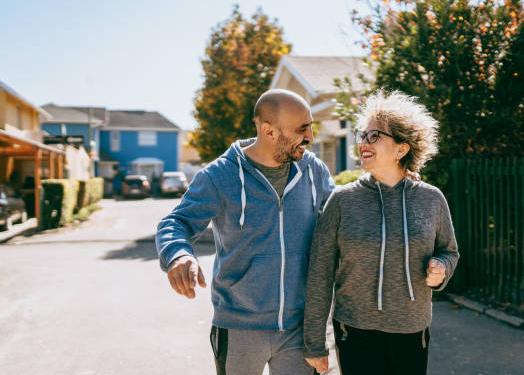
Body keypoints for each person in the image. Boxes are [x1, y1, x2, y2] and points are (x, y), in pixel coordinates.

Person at [155, 89, 335, 375]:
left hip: (298, 328)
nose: (310, 137)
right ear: (269, 131)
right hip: (238, 325)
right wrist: (178, 255)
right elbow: (176, 222)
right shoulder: (219, 176)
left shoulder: (314, 171)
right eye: (303, 128)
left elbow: (343, 214)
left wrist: (397, 179)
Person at [303, 90, 459, 375]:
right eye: (362, 135)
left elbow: (449, 251)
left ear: (402, 149)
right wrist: (314, 343)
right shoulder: (341, 201)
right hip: (355, 331)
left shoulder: (431, 199)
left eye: (374, 136)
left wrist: (442, 269)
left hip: (412, 331)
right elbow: (320, 273)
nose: (363, 142)